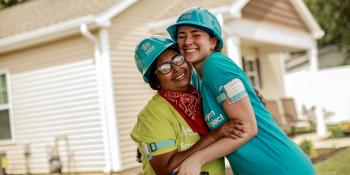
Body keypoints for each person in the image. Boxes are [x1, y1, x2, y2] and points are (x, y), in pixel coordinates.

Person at [167, 7, 316, 175]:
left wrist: (197, 159)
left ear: (213, 42)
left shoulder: (215, 65)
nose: (187, 41)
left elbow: (248, 128)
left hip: (281, 167)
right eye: (181, 36)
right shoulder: (200, 81)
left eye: (196, 35)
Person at [130, 35, 245, 175]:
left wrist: (249, 96)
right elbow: (166, 169)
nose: (176, 68)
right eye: (165, 67)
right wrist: (214, 136)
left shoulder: (200, 97)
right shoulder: (153, 114)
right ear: (156, 81)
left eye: (178, 59)